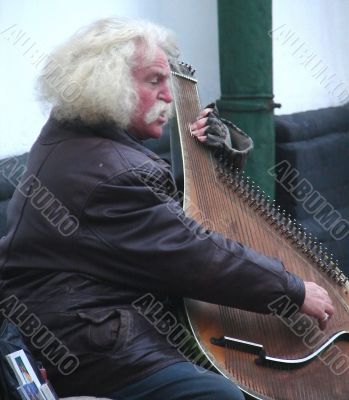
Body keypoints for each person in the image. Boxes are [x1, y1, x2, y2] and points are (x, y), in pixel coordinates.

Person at [0, 17, 333, 399]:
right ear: (109, 86)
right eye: (154, 81)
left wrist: (213, 162)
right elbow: (192, 253)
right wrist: (290, 290)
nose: (170, 97)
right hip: (85, 342)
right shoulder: (115, 171)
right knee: (218, 395)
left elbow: (157, 224)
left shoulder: (70, 137)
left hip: (70, 320)